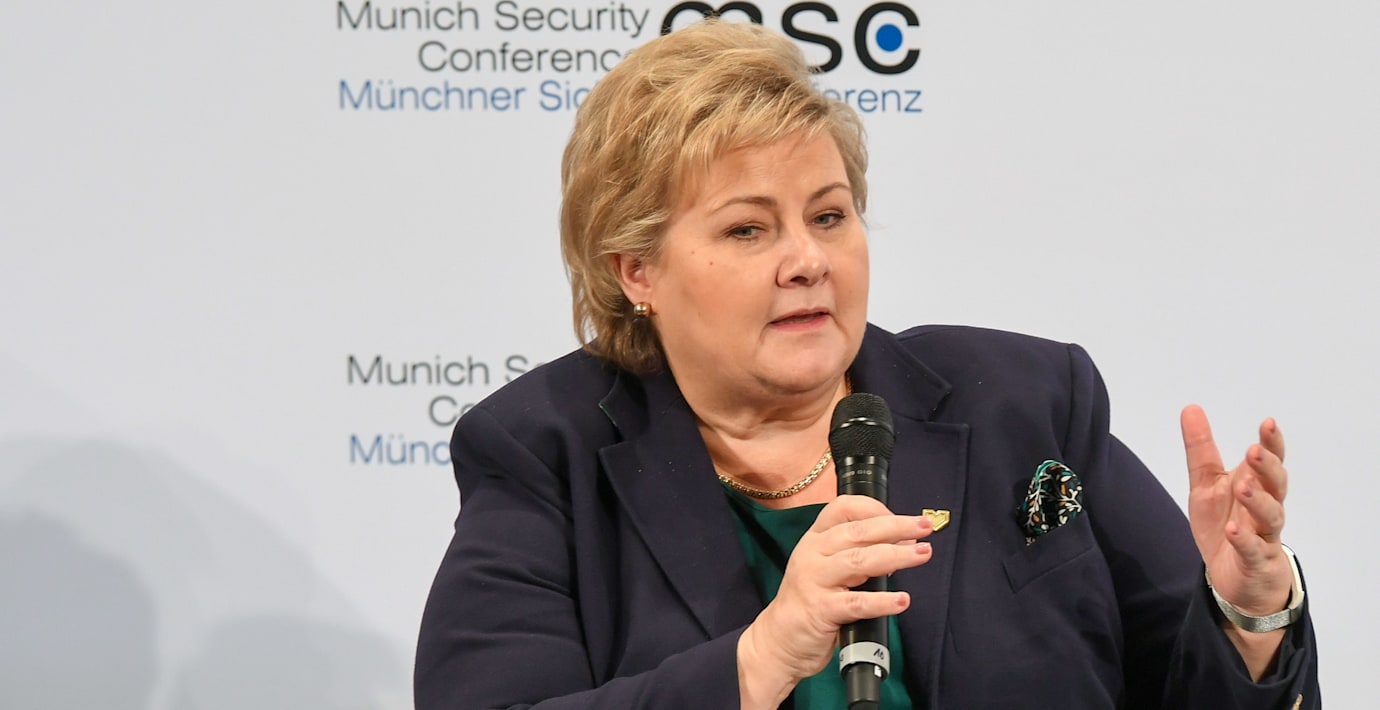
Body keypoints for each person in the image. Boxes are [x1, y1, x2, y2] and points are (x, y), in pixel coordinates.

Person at [414, 19, 1318, 709]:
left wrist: (1246, 614)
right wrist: (760, 658)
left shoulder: (1027, 403)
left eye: (829, 215)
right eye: (747, 229)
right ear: (637, 270)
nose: (808, 259)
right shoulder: (544, 453)